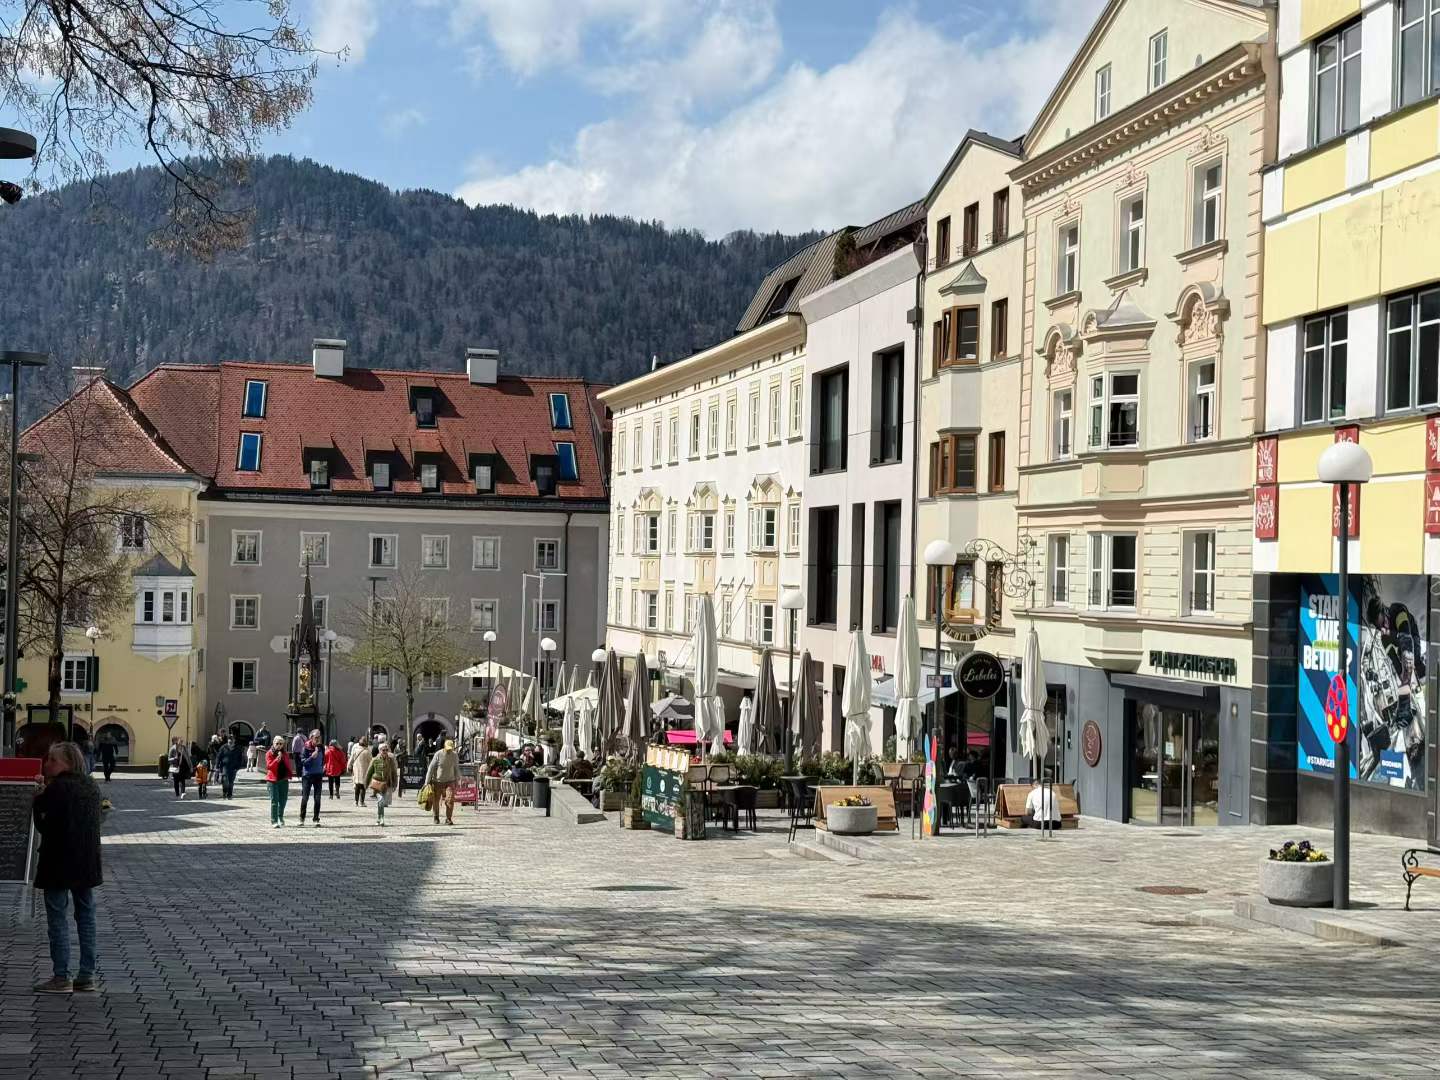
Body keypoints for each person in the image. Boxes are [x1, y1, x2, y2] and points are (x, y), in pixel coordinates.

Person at [31, 742, 103, 994]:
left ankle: (61, 976)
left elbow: (44, 825)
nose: (47, 763)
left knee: (57, 918)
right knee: (86, 916)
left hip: (58, 862)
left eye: (53, 760)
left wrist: (38, 798)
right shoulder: (91, 785)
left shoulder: (57, 788)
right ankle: (87, 975)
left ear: (68, 763)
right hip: (86, 862)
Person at [424, 739, 461, 825]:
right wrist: (427, 782)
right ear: (444, 747)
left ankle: (448, 818)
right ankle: (436, 817)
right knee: (436, 800)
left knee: (450, 800)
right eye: (447, 749)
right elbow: (431, 768)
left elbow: (456, 768)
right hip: (437, 781)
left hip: (450, 781)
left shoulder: (454, 755)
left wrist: (458, 780)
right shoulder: (438, 754)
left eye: (450, 749)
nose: (449, 751)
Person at [366, 742, 399, 826]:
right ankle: (381, 819)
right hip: (377, 783)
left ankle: (378, 817)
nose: (385, 751)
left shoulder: (390, 760)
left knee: (382, 802)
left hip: (386, 783)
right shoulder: (375, 760)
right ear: (379, 750)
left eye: (386, 750)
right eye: (383, 750)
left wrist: (395, 783)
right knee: (381, 800)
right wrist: (365, 785)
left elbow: (394, 772)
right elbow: (369, 773)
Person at [265, 736, 293, 828]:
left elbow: (288, 765)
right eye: (277, 743)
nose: (279, 745)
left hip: (283, 779)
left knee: (283, 800)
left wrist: (290, 774)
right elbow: (269, 766)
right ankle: (274, 820)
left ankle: (280, 817)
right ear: (273, 743)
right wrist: (276, 760)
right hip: (272, 780)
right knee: (274, 800)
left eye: (281, 744)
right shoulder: (269, 753)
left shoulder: (285, 753)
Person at [299, 736, 325, 826]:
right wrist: (311, 757)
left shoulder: (321, 748)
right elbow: (303, 762)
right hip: (307, 775)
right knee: (305, 797)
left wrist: (322, 767)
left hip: (318, 775)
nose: (318, 739)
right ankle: (302, 818)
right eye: (316, 738)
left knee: (317, 798)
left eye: (319, 737)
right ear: (311, 738)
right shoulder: (306, 748)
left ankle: (316, 818)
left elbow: (323, 759)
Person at [349, 737, 373, 806]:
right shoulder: (367, 752)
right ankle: (362, 802)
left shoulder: (356, 750)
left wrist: (349, 766)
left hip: (356, 770)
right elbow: (371, 762)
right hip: (364, 770)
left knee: (357, 786)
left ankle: (356, 802)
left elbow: (351, 759)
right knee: (363, 786)